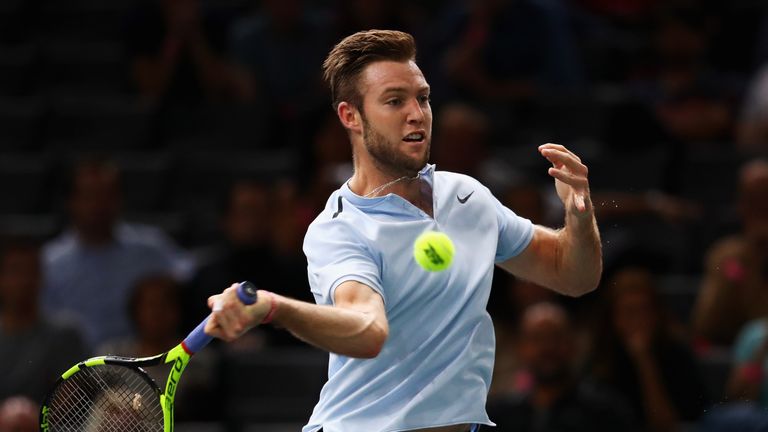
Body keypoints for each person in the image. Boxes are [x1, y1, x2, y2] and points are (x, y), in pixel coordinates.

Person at [204, 30, 602, 432]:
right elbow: (367, 331)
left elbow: (573, 276)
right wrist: (275, 307)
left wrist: (579, 215)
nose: (417, 113)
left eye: (423, 98)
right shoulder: (340, 229)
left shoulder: (467, 197)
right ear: (351, 116)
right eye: (394, 101)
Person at [42, 158, 191, 349]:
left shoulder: (152, 248)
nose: (99, 204)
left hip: (140, 366)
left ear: (120, 199)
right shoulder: (49, 263)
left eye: (107, 195)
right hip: (74, 368)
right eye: (90, 195)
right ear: (71, 201)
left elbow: (191, 279)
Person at [591, 266, 707, 431]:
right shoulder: (601, 355)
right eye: (630, 312)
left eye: (644, 311)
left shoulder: (677, 353)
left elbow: (666, 424)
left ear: (657, 313)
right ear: (614, 318)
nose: (638, 321)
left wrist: (644, 359)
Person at [487, 303, 636, 432]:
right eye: (537, 338)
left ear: (573, 344)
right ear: (521, 348)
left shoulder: (605, 411)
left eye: (556, 336)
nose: (547, 347)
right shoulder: (498, 416)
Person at [99, 274, 220, 421]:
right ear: (135, 311)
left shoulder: (200, 360)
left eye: (165, 304)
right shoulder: (111, 354)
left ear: (179, 311)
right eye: (150, 305)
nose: (157, 313)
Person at [0, 239, 87, 402]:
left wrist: (33, 421)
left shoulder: (66, 334)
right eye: (15, 271)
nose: (24, 280)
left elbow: (72, 395)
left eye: (32, 271)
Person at [692, 159, 768, 345]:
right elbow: (705, 325)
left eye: (766, 198)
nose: (761, 207)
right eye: (753, 199)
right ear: (741, 205)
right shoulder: (725, 254)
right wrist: (747, 256)